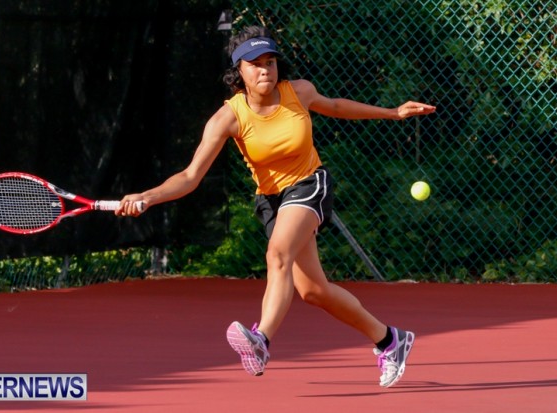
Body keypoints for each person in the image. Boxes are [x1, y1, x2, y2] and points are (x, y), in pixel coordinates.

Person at [116, 25, 436, 387]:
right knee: (314, 291)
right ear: (239, 71)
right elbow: (190, 176)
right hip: (271, 200)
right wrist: (148, 196)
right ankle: (390, 340)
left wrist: (393, 113)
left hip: (309, 184)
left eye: (270, 62)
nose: (265, 70)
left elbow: (335, 106)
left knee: (277, 255)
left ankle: (262, 340)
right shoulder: (228, 118)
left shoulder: (299, 91)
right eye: (255, 64)